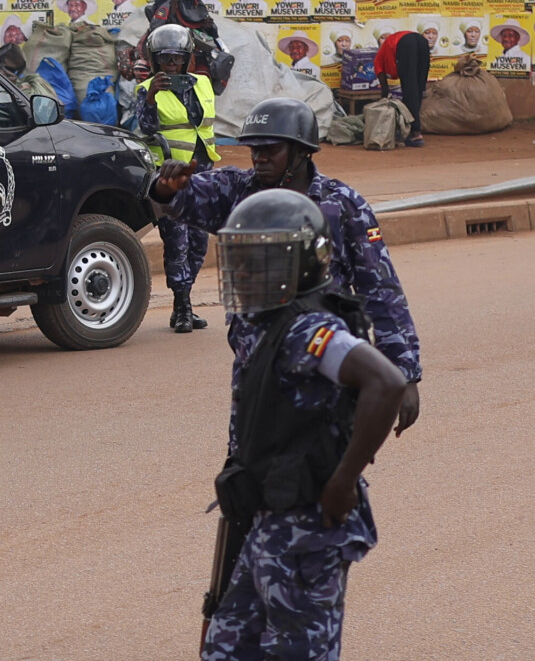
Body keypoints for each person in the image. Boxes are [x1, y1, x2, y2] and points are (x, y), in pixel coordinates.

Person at [179, 188, 408, 661]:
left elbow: (386, 382)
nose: (247, 276)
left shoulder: (312, 328)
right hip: (266, 524)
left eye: (264, 262)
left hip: (308, 529)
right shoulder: (262, 324)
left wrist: (344, 478)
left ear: (301, 265)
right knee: (225, 659)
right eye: (241, 262)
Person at [150, 98, 424, 437]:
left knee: (324, 468)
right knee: (249, 470)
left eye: (270, 149)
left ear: (300, 151)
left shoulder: (342, 205)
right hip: (257, 364)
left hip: (325, 361)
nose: (259, 157)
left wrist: (404, 372)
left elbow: (381, 291)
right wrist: (166, 186)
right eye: (254, 150)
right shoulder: (237, 191)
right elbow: (181, 196)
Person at [135, 24, 218, 333]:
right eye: (165, 59)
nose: (171, 65)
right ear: (155, 61)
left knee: (199, 241)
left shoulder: (203, 84)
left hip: (204, 173)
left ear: (187, 59)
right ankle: (182, 305)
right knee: (176, 241)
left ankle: (186, 299)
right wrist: (153, 96)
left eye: (177, 58)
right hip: (170, 177)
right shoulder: (146, 90)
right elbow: (145, 128)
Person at [376, 26, 431, 147]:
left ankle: (415, 133)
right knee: (418, 88)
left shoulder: (379, 59)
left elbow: (383, 85)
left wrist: (384, 98)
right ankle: (412, 128)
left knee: (410, 88)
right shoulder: (388, 50)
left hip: (406, 43)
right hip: (422, 41)